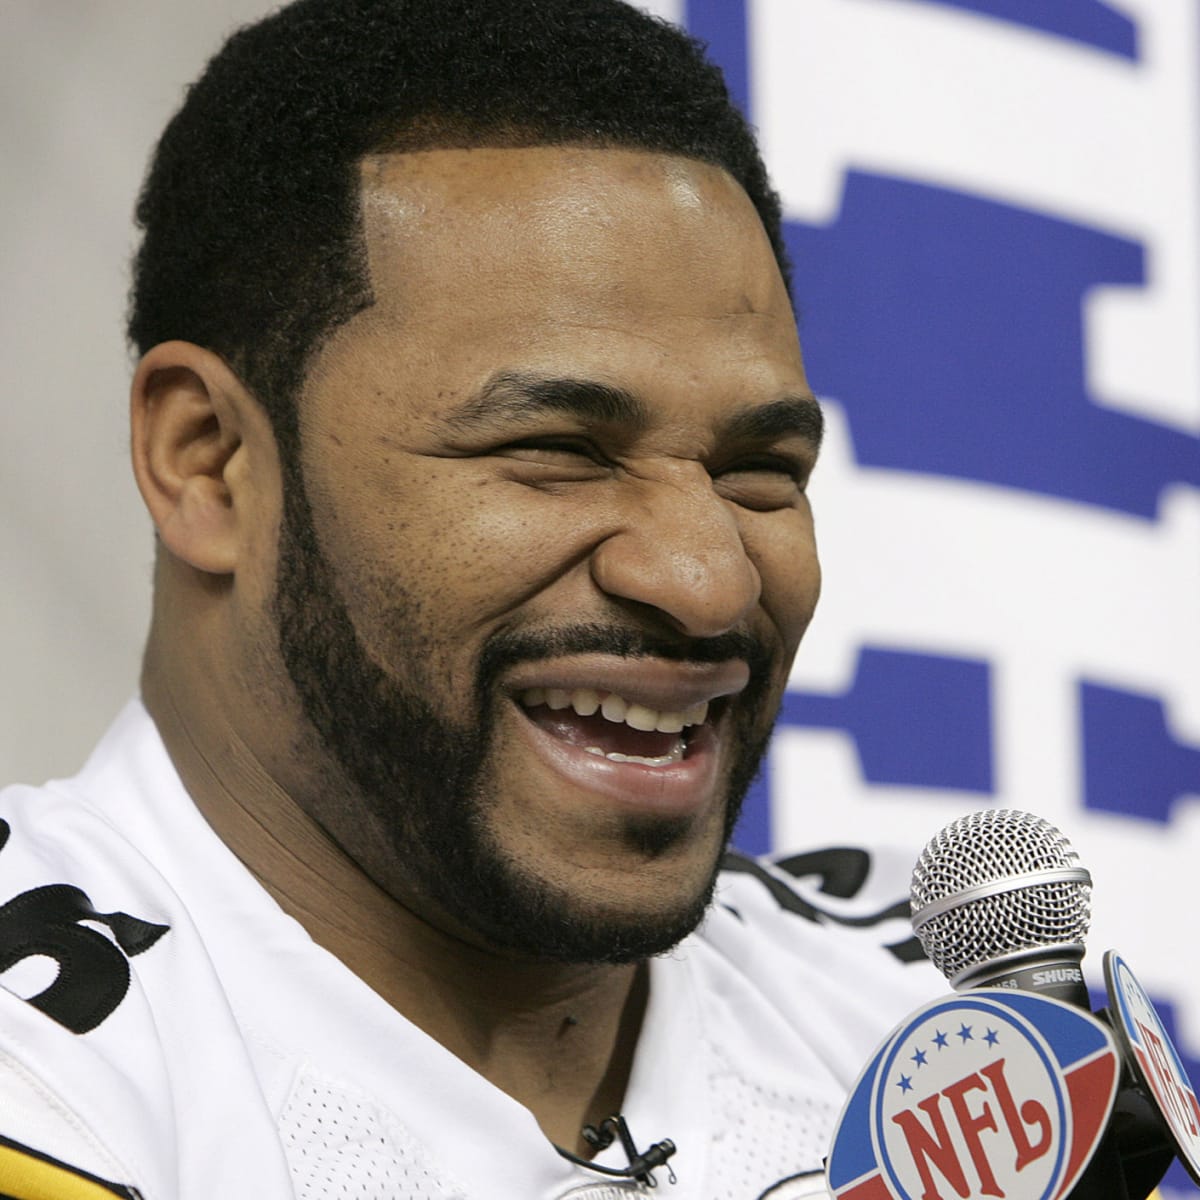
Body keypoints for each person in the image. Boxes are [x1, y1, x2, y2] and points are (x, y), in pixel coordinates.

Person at [0, 1, 938, 1196]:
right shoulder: (40, 1078)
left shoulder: (945, 1030)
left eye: (760, 474)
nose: (707, 580)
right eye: (558, 449)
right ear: (209, 460)